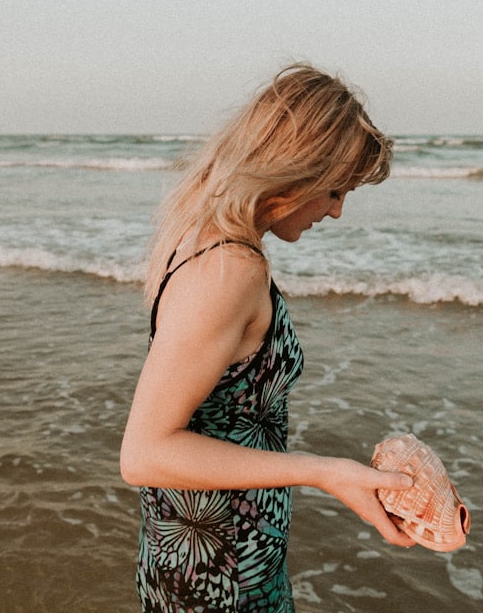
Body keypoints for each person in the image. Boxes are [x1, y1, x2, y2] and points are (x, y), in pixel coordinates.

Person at [119, 63, 415, 613]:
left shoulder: (199, 235)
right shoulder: (231, 268)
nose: (336, 210)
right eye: (334, 189)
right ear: (294, 170)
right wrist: (324, 472)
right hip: (222, 573)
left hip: (197, 548)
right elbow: (143, 453)